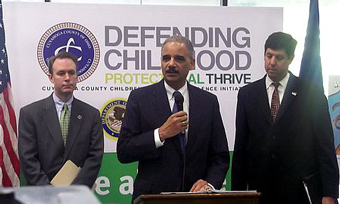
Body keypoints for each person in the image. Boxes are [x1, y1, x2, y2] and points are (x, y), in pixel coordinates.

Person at [117, 35, 230, 202]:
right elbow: (124, 151)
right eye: (166, 58)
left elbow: (220, 156)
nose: (171, 64)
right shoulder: (140, 98)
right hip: (152, 198)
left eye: (179, 58)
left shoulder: (208, 102)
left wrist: (210, 184)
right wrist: (160, 134)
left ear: (192, 64)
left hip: (196, 199)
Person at [232, 32, 339, 204]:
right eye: (269, 56)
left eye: (279, 57)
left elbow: (325, 146)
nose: (272, 62)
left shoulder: (311, 93)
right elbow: (241, 149)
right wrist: (237, 195)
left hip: (300, 190)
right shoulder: (247, 94)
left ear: (290, 59)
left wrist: (330, 193)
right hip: (260, 191)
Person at [18, 51, 104, 188]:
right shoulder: (30, 114)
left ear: (77, 76)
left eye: (72, 72)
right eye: (61, 73)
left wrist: (74, 191)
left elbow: (95, 157)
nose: (67, 78)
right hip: (41, 196)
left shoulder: (92, 115)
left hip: (77, 196)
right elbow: (27, 158)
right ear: (51, 77)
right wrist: (50, 192)